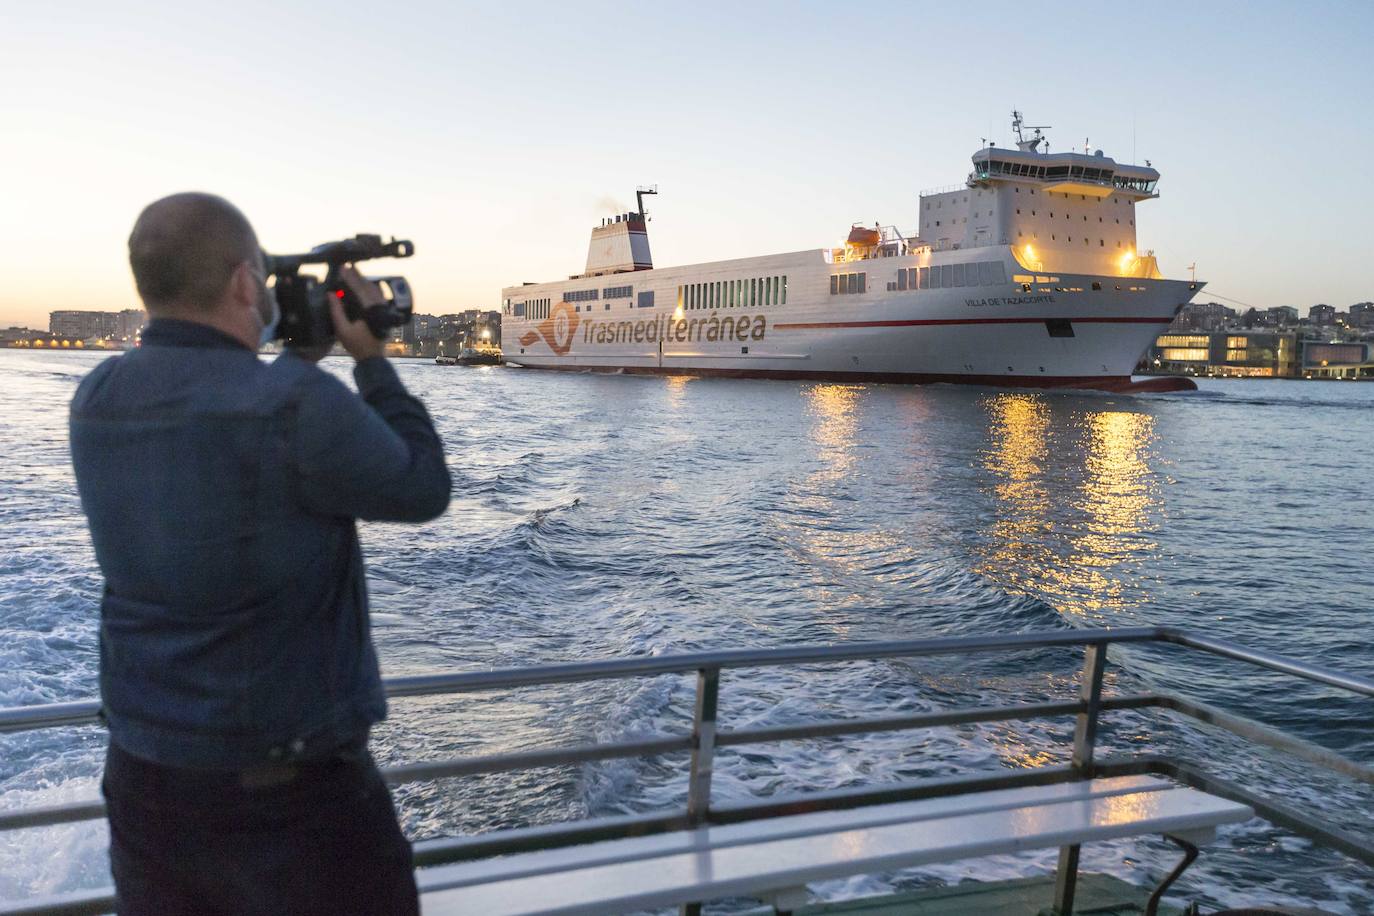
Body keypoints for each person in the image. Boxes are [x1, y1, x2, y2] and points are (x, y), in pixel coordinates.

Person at [68, 192, 450, 915]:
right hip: (292, 798)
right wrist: (369, 357)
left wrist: (299, 359)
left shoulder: (98, 395)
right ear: (247, 283)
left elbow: (231, 428)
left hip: (147, 783)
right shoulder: (295, 405)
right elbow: (422, 487)